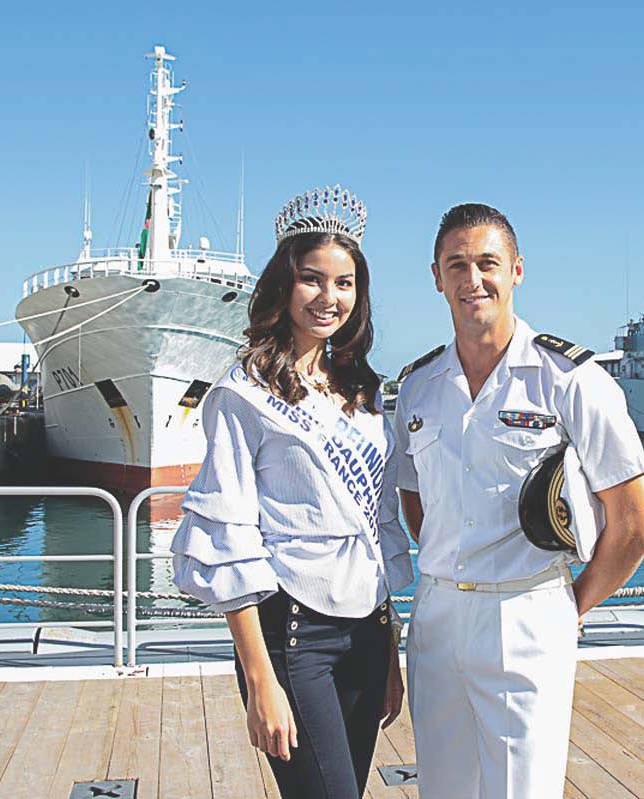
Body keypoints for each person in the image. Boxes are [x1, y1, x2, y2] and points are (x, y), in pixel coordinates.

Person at [394, 203, 644, 799]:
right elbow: (417, 508)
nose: (472, 279)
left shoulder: (570, 380)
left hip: (527, 615)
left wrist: (571, 606)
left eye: (487, 262)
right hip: (435, 617)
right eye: (456, 264)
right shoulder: (417, 387)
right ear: (436, 277)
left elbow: (637, 525)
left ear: (517, 269)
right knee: (443, 789)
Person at [171, 185, 413, 799]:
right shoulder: (241, 395)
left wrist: (390, 653)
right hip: (293, 635)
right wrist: (259, 680)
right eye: (312, 279)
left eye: (345, 283)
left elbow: (377, 525)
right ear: (283, 285)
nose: (328, 298)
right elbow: (229, 533)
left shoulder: (362, 390)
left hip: (367, 633)